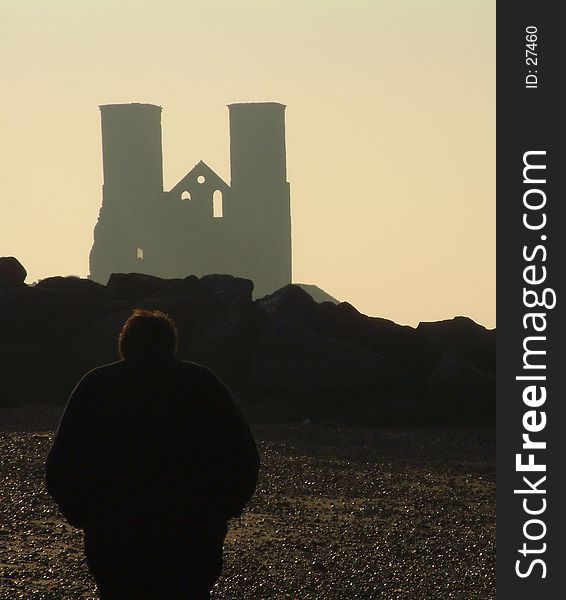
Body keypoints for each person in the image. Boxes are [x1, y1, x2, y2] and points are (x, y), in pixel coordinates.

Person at [45, 309, 260, 599]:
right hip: (191, 532)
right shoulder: (203, 383)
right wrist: (225, 508)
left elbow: (63, 461)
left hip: (115, 533)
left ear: (125, 344)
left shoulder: (97, 385)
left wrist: (79, 513)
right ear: (171, 344)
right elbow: (243, 454)